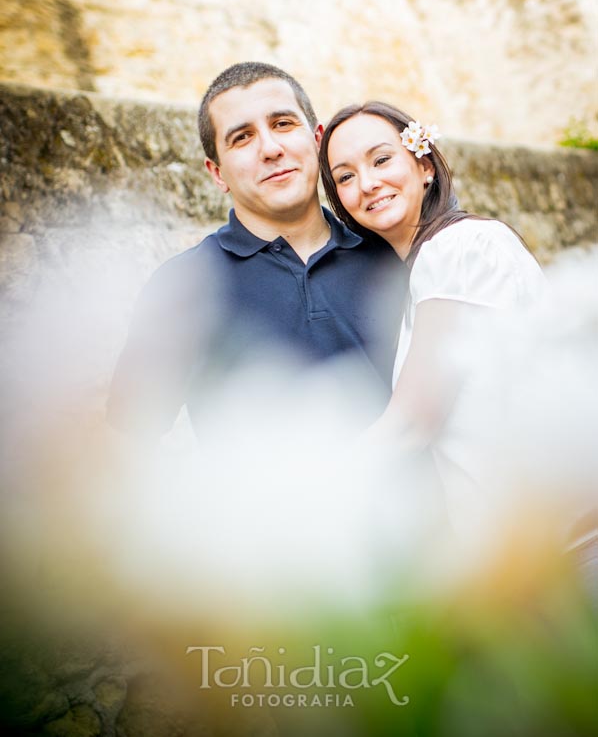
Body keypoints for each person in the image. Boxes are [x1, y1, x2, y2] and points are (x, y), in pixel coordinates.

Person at [108, 66, 403, 438]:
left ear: (317, 139)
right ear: (217, 174)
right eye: (242, 137)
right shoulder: (184, 286)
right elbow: (129, 442)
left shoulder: (390, 258)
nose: (270, 149)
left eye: (282, 124)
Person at [319, 100, 546, 535]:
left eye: (382, 159)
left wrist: (295, 492)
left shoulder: (457, 249)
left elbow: (410, 424)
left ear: (424, 165)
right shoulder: (429, 269)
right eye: (345, 176)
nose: (367, 183)